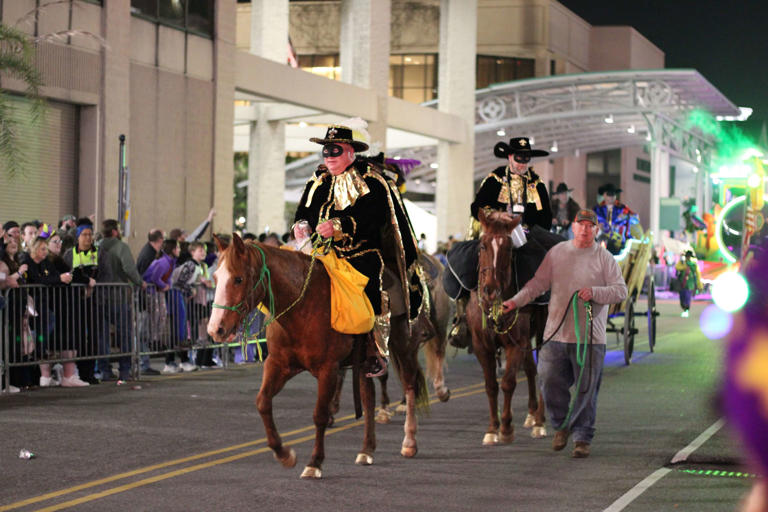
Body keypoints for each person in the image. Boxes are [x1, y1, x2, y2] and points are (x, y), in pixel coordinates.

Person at [293, 123, 424, 376]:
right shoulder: (318, 179)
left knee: (372, 287)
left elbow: (375, 217)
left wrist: (340, 226)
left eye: (335, 151)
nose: (329, 157)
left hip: (359, 253)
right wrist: (300, 225)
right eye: (326, 152)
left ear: (351, 152)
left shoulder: (370, 180)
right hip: (318, 251)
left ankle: (376, 351)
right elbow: (303, 211)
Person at [502, 209, 627, 458]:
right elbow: (537, 284)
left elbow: (620, 291)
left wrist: (595, 292)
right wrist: (514, 302)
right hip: (556, 335)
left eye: (590, 226)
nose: (585, 229)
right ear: (573, 226)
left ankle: (582, 438)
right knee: (548, 381)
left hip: (590, 338)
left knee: (586, 389)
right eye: (581, 225)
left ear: (596, 230)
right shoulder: (557, 253)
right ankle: (560, 425)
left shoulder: (605, 259)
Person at [446, 136, 559, 347]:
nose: (522, 163)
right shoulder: (494, 178)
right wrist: (498, 218)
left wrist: (525, 225)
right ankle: (462, 317)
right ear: (510, 157)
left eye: (526, 159)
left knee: (549, 258)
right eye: (518, 158)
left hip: (526, 233)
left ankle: (545, 314)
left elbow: (545, 218)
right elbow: (476, 207)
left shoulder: (537, 184)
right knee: (464, 259)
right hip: (494, 230)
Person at [97, 219, 146, 380]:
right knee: (125, 333)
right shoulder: (121, 247)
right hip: (118, 296)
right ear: (115, 232)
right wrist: (140, 282)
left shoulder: (96, 246)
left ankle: (105, 370)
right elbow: (129, 269)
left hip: (98, 297)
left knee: (102, 336)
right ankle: (125, 369)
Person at [62, 219, 101, 384]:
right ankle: (75, 371)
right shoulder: (70, 254)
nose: (87, 238)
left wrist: (93, 287)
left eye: (90, 235)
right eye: (84, 235)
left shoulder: (99, 252)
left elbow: (102, 273)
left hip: (93, 301)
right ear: (77, 237)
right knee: (77, 336)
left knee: (92, 337)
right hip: (75, 301)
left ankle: (89, 372)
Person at [593, 183, 640, 255]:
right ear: (604, 195)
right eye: (609, 194)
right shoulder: (597, 209)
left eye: (614, 194)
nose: (612, 197)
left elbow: (636, 219)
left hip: (620, 243)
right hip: (601, 241)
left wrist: (626, 217)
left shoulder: (622, 208)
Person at [675, 250, 702, 318]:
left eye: (689, 256)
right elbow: (677, 267)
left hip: (690, 284)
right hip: (682, 284)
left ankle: (686, 310)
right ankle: (684, 308)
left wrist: (699, 285)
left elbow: (698, 275)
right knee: (682, 298)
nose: (688, 258)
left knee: (687, 297)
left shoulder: (694, 265)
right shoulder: (682, 263)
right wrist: (684, 266)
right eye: (687, 256)